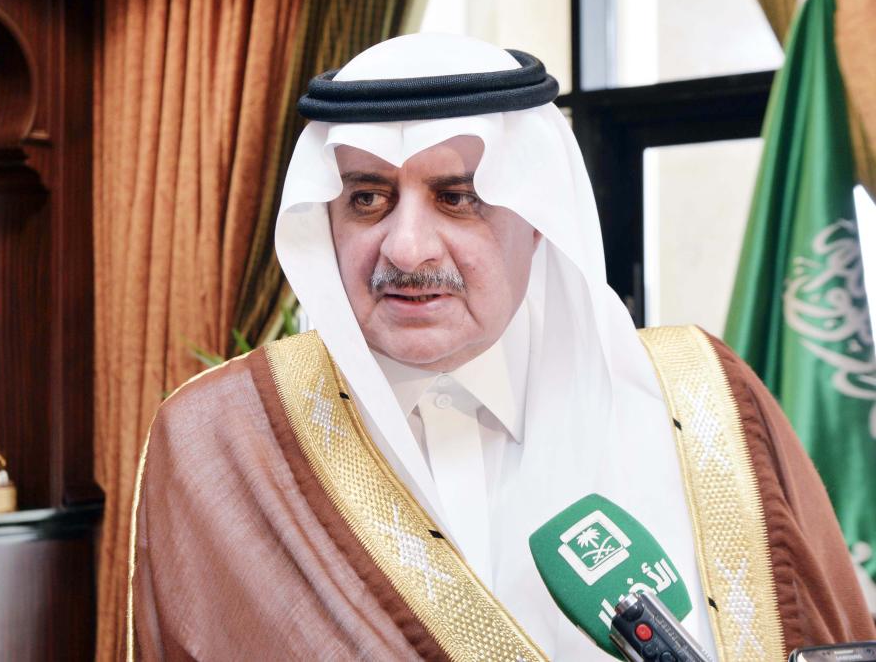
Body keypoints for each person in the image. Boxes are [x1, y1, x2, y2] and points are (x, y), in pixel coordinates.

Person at [127, 34, 875, 660]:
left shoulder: (704, 401)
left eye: (458, 199)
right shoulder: (223, 438)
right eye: (367, 198)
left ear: (539, 218)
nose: (407, 248)